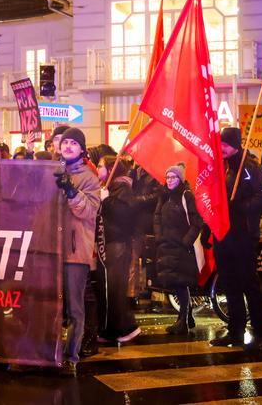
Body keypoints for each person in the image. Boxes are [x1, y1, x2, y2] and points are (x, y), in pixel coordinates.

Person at [211, 127, 262, 350]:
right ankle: (235, 331)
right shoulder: (222, 167)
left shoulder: (249, 167)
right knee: (229, 284)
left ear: (235, 145)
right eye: (220, 144)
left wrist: (241, 207)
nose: (222, 148)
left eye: (225, 144)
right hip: (224, 235)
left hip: (244, 234)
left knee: (249, 283)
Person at [52, 127, 100, 375]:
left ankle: (71, 356)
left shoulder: (90, 178)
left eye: (74, 143)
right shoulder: (51, 171)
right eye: (65, 142)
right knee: (49, 305)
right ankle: (49, 353)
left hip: (74, 252)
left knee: (75, 308)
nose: (68, 146)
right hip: (50, 250)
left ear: (82, 149)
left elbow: (89, 211)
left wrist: (72, 191)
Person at [95, 156, 144, 344]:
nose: (98, 169)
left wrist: (106, 201)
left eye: (100, 166)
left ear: (110, 169)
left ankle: (126, 328)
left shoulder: (121, 187)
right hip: (108, 242)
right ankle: (111, 329)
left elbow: (124, 214)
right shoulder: (109, 186)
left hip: (117, 243)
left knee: (115, 287)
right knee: (109, 287)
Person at [153, 164, 202, 334]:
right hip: (167, 246)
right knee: (175, 283)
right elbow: (157, 217)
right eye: (167, 177)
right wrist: (159, 237)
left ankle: (182, 321)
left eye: (173, 177)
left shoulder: (186, 195)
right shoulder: (164, 196)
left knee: (181, 283)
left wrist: (185, 241)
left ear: (180, 179)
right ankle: (186, 317)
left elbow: (197, 222)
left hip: (181, 247)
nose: (169, 180)